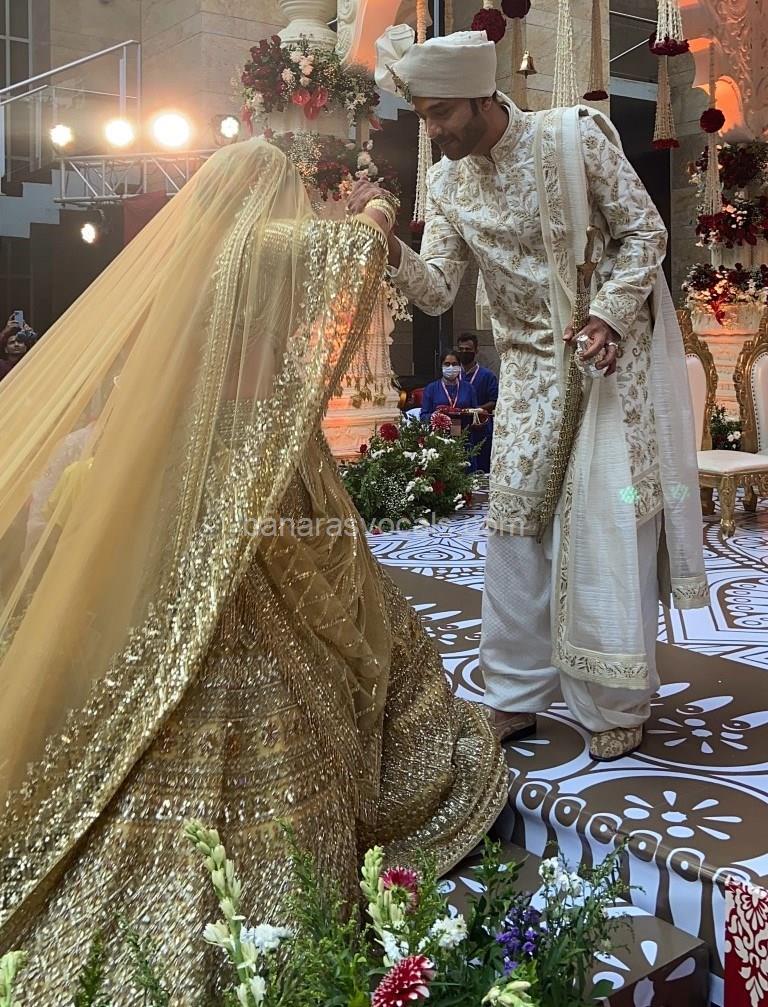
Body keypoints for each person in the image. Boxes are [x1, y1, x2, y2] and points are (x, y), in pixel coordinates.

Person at [0, 139, 507, 1002]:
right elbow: (358, 251)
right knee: (269, 633)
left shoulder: (197, 265)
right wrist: (379, 202)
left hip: (200, 465)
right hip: (259, 465)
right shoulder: (263, 248)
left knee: (182, 635)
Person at [349, 26, 707, 763]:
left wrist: (609, 313)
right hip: (529, 375)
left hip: (608, 366)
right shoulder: (447, 183)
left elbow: (644, 234)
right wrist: (385, 243)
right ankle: (514, 694)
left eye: (442, 113)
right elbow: (437, 289)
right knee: (513, 527)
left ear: (484, 97)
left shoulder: (573, 139)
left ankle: (614, 700)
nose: (433, 130)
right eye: (423, 116)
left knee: (606, 524)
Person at [457, 332, 497, 473]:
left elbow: (494, 400)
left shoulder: (487, 376)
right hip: (458, 427)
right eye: (461, 349)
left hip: (480, 428)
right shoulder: (454, 375)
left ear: (476, 350)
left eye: (468, 349)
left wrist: (476, 410)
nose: (464, 352)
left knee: (481, 468)